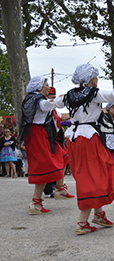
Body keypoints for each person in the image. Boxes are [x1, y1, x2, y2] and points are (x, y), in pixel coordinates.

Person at [54, 63, 114, 234]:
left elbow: (51, 104)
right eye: (95, 77)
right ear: (90, 79)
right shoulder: (93, 94)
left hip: (74, 139)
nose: (97, 80)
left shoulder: (69, 95)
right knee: (94, 176)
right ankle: (82, 222)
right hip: (89, 139)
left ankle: (99, 214)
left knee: (96, 173)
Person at [21, 76, 73, 215]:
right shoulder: (37, 100)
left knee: (62, 156)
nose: (48, 87)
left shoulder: (32, 99)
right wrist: (61, 99)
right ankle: (36, 202)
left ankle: (59, 188)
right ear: (39, 88)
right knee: (44, 168)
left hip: (41, 134)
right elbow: (46, 105)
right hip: (38, 135)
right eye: (46, 85)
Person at [98, 102, 114, 178]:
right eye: (113, 108)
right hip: (105, 141)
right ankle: (107, 182)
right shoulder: (102, 118)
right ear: (108, 109)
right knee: (107, 164)